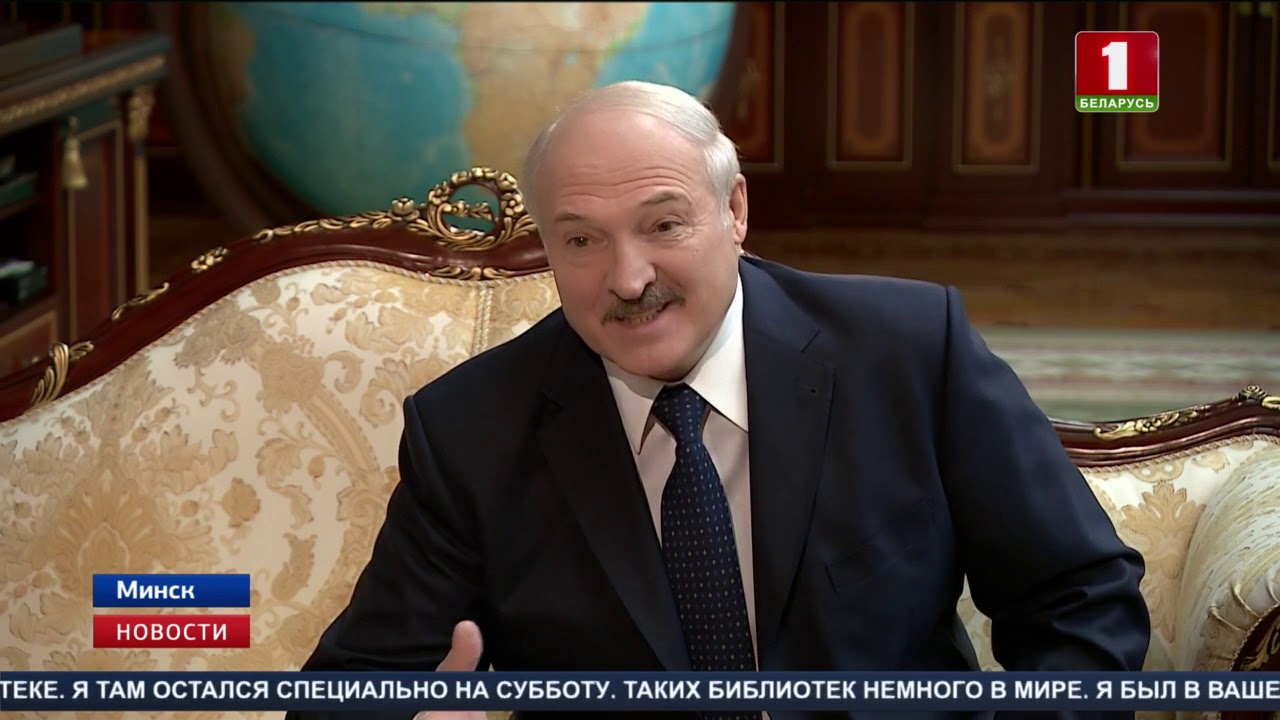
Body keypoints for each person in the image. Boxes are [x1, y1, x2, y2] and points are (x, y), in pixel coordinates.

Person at [290, 80, 1151, 720]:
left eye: (663, 225)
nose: (629, 279)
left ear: (734, 210)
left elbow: (1081, 599)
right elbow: (349, 691)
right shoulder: (470, 429)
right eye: (581, 241)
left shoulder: (908, 352)